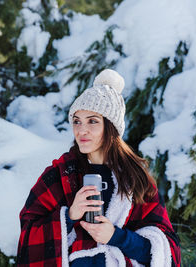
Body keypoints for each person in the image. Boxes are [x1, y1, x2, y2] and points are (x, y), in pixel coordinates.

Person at [16, 69, 181, 267]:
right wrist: (69, 216)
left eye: (92, 121)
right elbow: (27, 236)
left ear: (110, 127)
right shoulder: (59, 175)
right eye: (77, 121)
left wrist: (116, 236)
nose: (81, 130)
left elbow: (166, 253)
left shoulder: (136, 180)